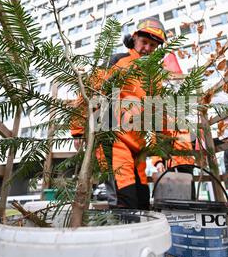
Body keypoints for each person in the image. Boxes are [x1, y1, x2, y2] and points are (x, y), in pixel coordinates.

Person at [71, 17, 168, 210]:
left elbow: (159, 115)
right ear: (134, 39)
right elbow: (88, 92)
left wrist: (159, 156)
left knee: (142, 199)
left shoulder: (155, 77)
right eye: (144, 42)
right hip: (113, 138)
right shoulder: (117, 61)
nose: (148, 48)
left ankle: (140, 239)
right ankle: (122, 236)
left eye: (153, 45)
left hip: (138, 146)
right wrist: (78, 130)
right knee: (125, 199)